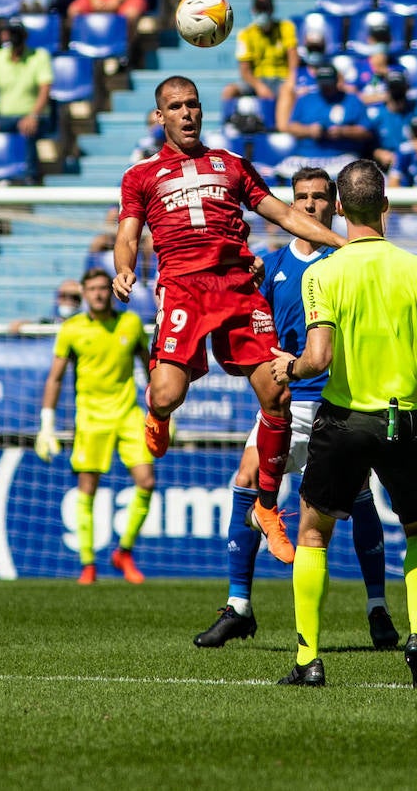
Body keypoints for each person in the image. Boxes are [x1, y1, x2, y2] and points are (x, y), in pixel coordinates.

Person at [113, 76, 346, 566]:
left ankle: (266, 506)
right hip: (183, 289)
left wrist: (341, 243)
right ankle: (157, 415)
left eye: (193, 104)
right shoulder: (140, 175)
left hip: (237, 287)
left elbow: (283, 214)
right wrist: (124, 268)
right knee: (167, 394)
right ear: (159, 116)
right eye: (176, 106)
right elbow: (128, 233)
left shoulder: (232, 164)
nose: (187, 113)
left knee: (277, 395)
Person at [266, 159, 417, 688]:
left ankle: (309, 658)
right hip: (406, 419)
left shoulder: (323, 272)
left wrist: (290, 367)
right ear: (385, 206)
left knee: (313, 533)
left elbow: (318, 358)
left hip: (343, 419)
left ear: (337, 207)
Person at [194, 167, 400, 651]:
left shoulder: (347, 262)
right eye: (302, 197)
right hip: (287, 402)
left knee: (359, 496)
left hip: (337, 400)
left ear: (336, 205)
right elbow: (254, 333)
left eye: (320, 197)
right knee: (245, 479)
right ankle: (238, 606)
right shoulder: (270, 267)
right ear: (291, 204)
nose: (310, 205)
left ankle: (377, 607)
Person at [36, 268, 155, 584]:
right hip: (90, 417)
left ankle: (124, 551)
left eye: (103, 288)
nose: (99, 294)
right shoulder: (72, 329)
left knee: (146, 482)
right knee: (87, 489)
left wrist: (163, 413)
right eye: (92, 289)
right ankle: (88, 564)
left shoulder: (130, 323)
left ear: (111, 291)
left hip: (128, 414)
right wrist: (46, 424)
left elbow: (151, 369)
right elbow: (55, 378)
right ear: (84, 294)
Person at [0, 17, 55, 183]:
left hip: (36, 116)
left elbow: (45, 89)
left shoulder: (39, 56)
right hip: (5, 118)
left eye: (15, 33)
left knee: (27, 128)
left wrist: (33, 115)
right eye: (9, 33)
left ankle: (30, 177)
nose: (12, 38)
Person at [282, 63, 375, 178]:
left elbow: (366, 132)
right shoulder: (305, 99)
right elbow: (291, 127)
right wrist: (309, 130)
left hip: (341, 156)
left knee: (351, 171)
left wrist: (343, 132)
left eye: (329, 83)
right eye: (323, 83)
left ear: (336, 81)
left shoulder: (352, 100)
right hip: (306, 156)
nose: (326, 87)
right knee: (284, 169)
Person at [223, 0, 299, 106]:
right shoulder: (245, 34)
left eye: (265, 9)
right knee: (229, 91)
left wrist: (290, 81)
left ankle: (281, 119)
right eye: (259, 10)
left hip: (281, 79)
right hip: (256, 81)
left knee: (287, 91)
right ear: (253, 10)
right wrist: (259, 86)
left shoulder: (286, 28)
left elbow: (293, 58)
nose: (262, 13)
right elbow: (245, 71)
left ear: (272, 10)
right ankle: (228, 118)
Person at [9, 278, 83, 334]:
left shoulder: (86, 324)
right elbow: (33, 324)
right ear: (57, 298)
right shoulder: (49, 323)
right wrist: (21, 324)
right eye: (63, 296)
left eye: (74, 297)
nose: (68, 301)